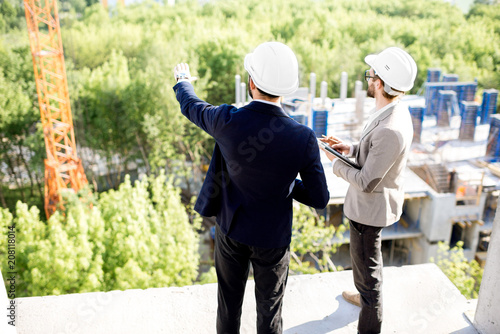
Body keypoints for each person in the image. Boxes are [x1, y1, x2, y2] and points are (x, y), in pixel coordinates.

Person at [172, 41, 329, 334]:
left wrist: (183, 82)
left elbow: (191, 106)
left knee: (228, 306)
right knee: (269, 313)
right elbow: (320, 198)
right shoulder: (303, 137)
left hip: (232, 229)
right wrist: (286, 184)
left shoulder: (227, 121)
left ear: (252, 82)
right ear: (287, 88)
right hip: (273, 239)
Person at [320, 47, 417, 334]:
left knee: (369, 276)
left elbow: (366, 181)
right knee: (364, 265)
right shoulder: (391, 110)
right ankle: (363, 296)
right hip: (368, 208)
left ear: (379, 83)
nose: (368, 79)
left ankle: (369, 311)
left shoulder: (391, 128)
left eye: (370, 76)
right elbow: (374, 154)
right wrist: (348, 148)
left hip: (369, 213)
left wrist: (334, 163)